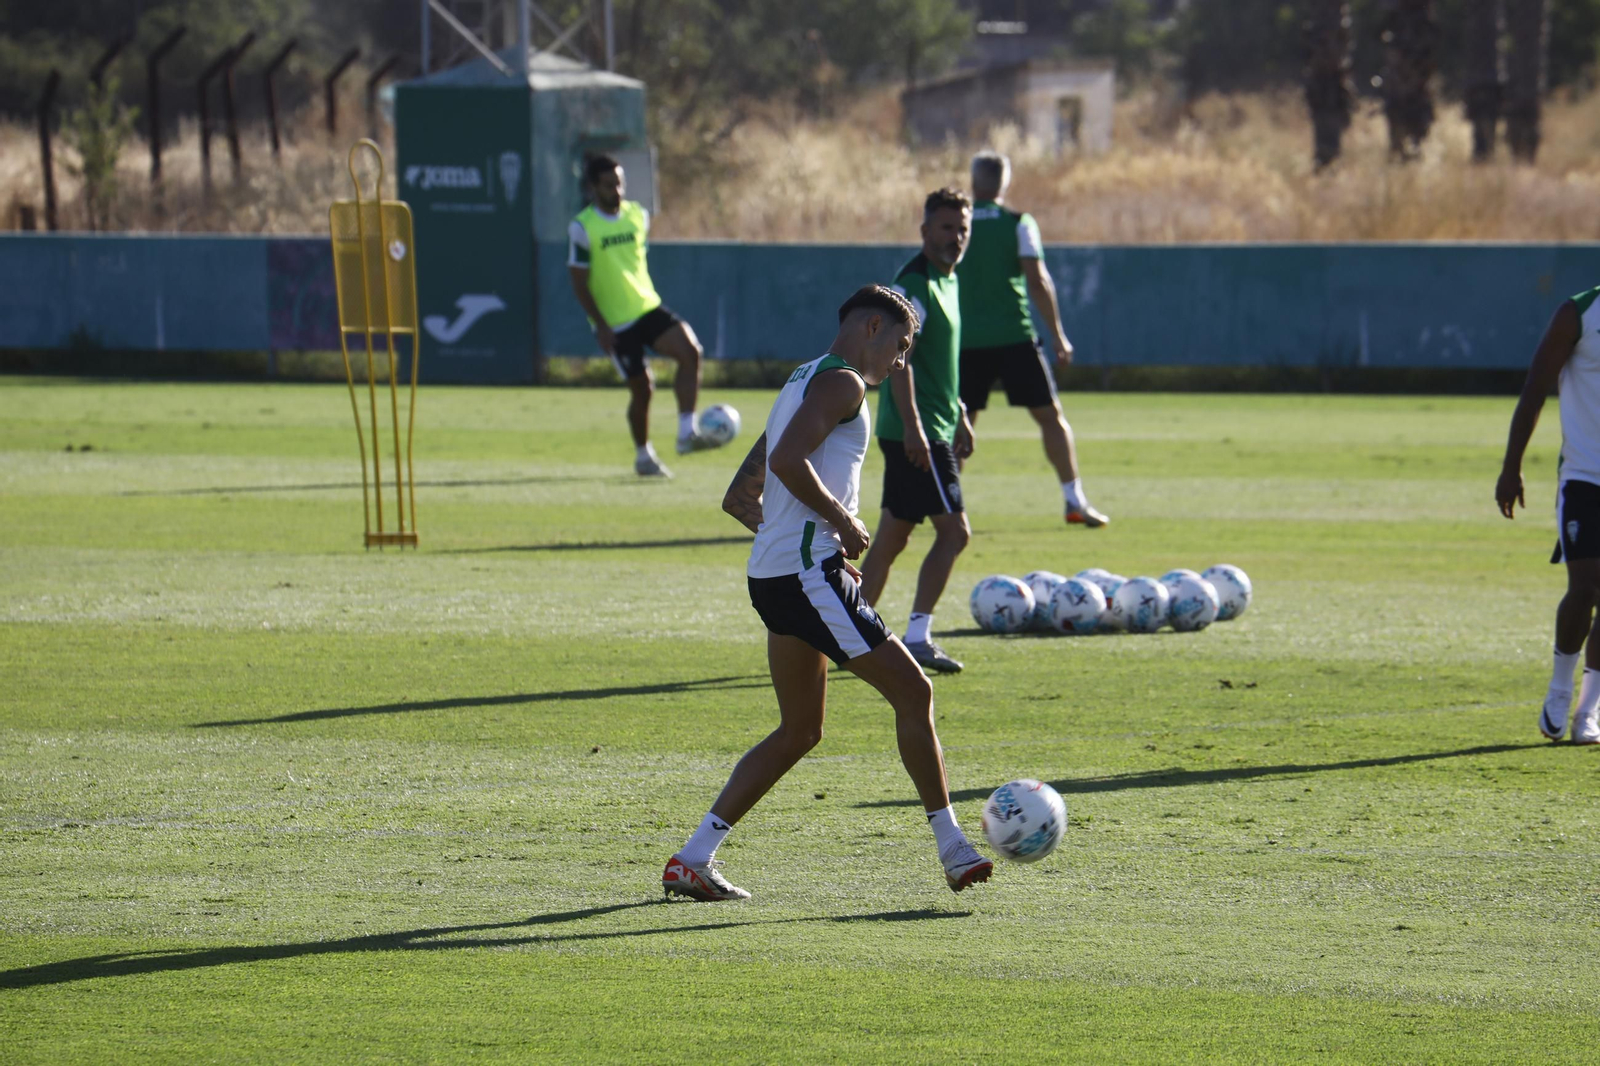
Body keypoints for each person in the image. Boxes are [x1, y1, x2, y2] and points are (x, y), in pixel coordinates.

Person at [661, 285, 995, 902]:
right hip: (807, 576)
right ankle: (953, 850)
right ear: (872, 327)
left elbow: (741, 496)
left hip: (776, 577)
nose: (900, 362)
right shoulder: (843, 385)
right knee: (914, 690)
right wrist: (840, 523)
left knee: (799, 730)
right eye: (900, 345)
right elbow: (788, 460)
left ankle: (693, 858)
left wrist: (789, 542)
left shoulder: (801, 379)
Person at [857, 189, 976, 675]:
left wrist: (961, 411)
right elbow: (897, 356)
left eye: (962, 228)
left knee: (892, 538)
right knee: (955, 533)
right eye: (946, 228)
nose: (956, 237)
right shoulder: (915, 284)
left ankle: (844, 633)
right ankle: (919, 636)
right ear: (925, 231)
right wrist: (914, 428)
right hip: (919, 432)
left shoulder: (948, 280)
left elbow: (936, 363)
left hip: (934, 424)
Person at [957, 150, 1108, 528]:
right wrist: (1058, 335)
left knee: (958, 422)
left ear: (974, 182)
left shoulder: (954, 223)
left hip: (965, 342)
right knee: (1051, 419)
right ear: (1005, 184)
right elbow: (1037, 279)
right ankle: (1074, 500)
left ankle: (946, 503)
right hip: (1014, 337)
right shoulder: (1018, 223)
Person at [567, 154, 719, 478]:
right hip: (616, 324)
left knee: (691, 352)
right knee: (643, 389)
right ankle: (643, 456)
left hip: (646, 307)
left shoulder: (638, 216)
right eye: (608, 185)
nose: (617, 190)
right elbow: (579, 283)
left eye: (619, 182)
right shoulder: (582, 228)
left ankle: (686, 434)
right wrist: (601, 325)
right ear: (594, 188)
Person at [1497, 284, 1600, 744]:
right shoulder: (1577, 313)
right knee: (1585, 589)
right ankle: (1560, 688)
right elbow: (1536, 388)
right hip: (1584, 477)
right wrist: (1511, 467)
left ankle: (1589, 711)